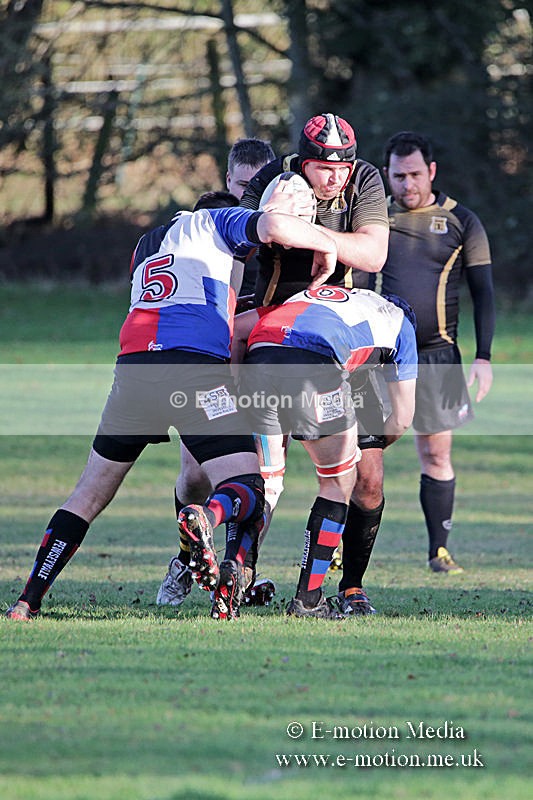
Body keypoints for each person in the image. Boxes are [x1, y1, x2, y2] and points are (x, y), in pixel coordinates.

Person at [6, 191, 338, 622]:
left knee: (87, 494)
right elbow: (272, 226)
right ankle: (206, 525)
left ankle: (26, 602)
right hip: (192, 371)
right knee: (249, 486)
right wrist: (326, 245)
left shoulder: (147, 242)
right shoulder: (215, 222)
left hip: (133, 372)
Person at [238, 112, 391, 615]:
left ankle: (350, 586)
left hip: (341, 337)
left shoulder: (364, 178)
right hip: (272, 332)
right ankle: (240, 577)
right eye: (323, 168)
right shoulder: (273, 177)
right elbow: (244, 241)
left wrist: (315, 236)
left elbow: (373, 254)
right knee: (260, 472)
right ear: (302, 163)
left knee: (368, 476)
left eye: (341, 167)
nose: (334, 177)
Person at [232, 286, 417, 618]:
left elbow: (238, 329)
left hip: (260, 358)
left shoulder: (309, 297)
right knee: (338, 482)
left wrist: (235, 384)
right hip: (316, 361)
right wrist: (357, 452)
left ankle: (234, 573)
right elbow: (403, 418)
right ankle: (309, 599)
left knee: (265, 482)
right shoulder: (400, 323)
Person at [366, 130, 495, 574]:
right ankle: (340, 548)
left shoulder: (462, 221)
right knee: (361, 452)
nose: (407, 184)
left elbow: (484, 292)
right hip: (379, 356)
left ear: (432, 171)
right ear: (387, 174)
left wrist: (484, 357)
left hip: (439, 355)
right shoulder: (373, 219)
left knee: (436, 454)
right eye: (398, 176)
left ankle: (438, 551)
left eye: (415, 174)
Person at [156, 138, 277, 610]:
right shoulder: (205, 230)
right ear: (229, 180)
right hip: (208, 373)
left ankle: (236, 573)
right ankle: (186, 558)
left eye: (260, 184)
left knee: (261, 479)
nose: (251, 194)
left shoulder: (277, 237)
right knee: (194, 476)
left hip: (260, 373)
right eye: (244, 185)